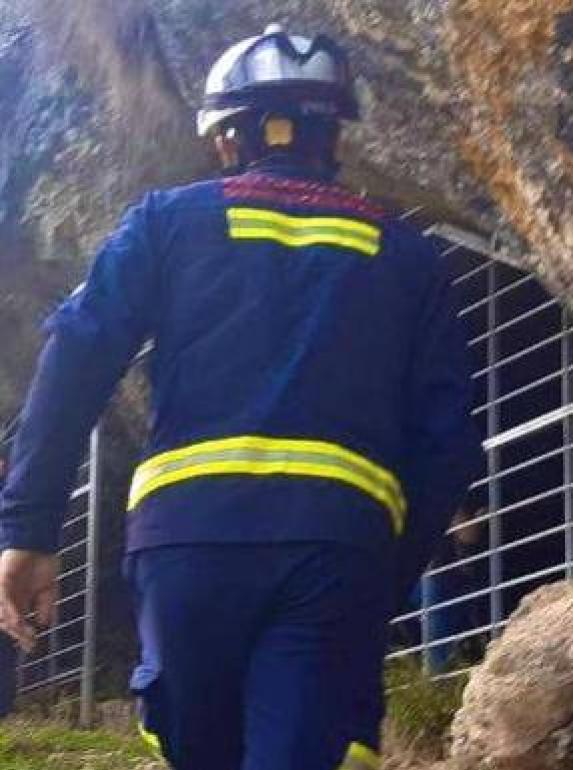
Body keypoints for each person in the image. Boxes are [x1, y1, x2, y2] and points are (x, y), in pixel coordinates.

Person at [0, 24, 481, 770]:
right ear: (335, 136)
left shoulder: (166, 224)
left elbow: (76, 359)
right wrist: (388, 569)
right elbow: (445, 441)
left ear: (226, 139)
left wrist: (29, 530)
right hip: (335, 548)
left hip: (187, 546)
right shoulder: (407, 257)